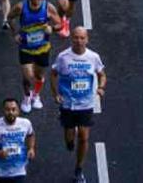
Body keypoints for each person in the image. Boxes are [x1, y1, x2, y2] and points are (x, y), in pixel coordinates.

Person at [50, 26, 106, 183]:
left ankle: (79, 169)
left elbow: (102, 74)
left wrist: (101, 87)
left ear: (87, 39)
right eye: (76, 37)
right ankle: (69, 140)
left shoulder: (93, 57)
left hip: (85, 103)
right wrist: (55, 94)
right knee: (69, 136)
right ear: (71, 39)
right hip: (68, 103)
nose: (79, 41)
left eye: (82, 38)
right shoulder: (63, 57)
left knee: (83, 136)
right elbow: (53, 74)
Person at [7, 0, 63, 114]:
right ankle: (26, 97)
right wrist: (15, 33)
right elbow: (9, 18)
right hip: (25, 47)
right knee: (28, 76)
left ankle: (36, 95)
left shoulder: (48, 8)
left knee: (39, 76)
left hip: (42, 48)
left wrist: (52, 28)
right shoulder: (21, 7)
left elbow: (60, 23)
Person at [0, 98, 37, 181]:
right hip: (1, 171)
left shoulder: (26, 123)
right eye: (7, 110)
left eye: (13, 109)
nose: (11, 112)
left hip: (19, 169)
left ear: (18, 110)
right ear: (3, 111)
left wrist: (31, 148)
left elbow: (31, 134)